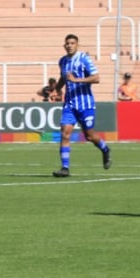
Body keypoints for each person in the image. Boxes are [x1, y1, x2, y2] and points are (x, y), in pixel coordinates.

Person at [51, 33, 111, 177]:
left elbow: (96, 78)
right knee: (65, 133)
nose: (70, 46)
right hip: (70, 104)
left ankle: (105, 149)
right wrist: (57, 89)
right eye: (68, 43)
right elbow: (63, 77)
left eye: (72, 43)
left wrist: (76, 80)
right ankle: (65, 168)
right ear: (64, 46)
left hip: (85, 104)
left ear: (77, 45)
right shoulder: (63, 61)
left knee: (89, 136)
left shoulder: (84, 58)